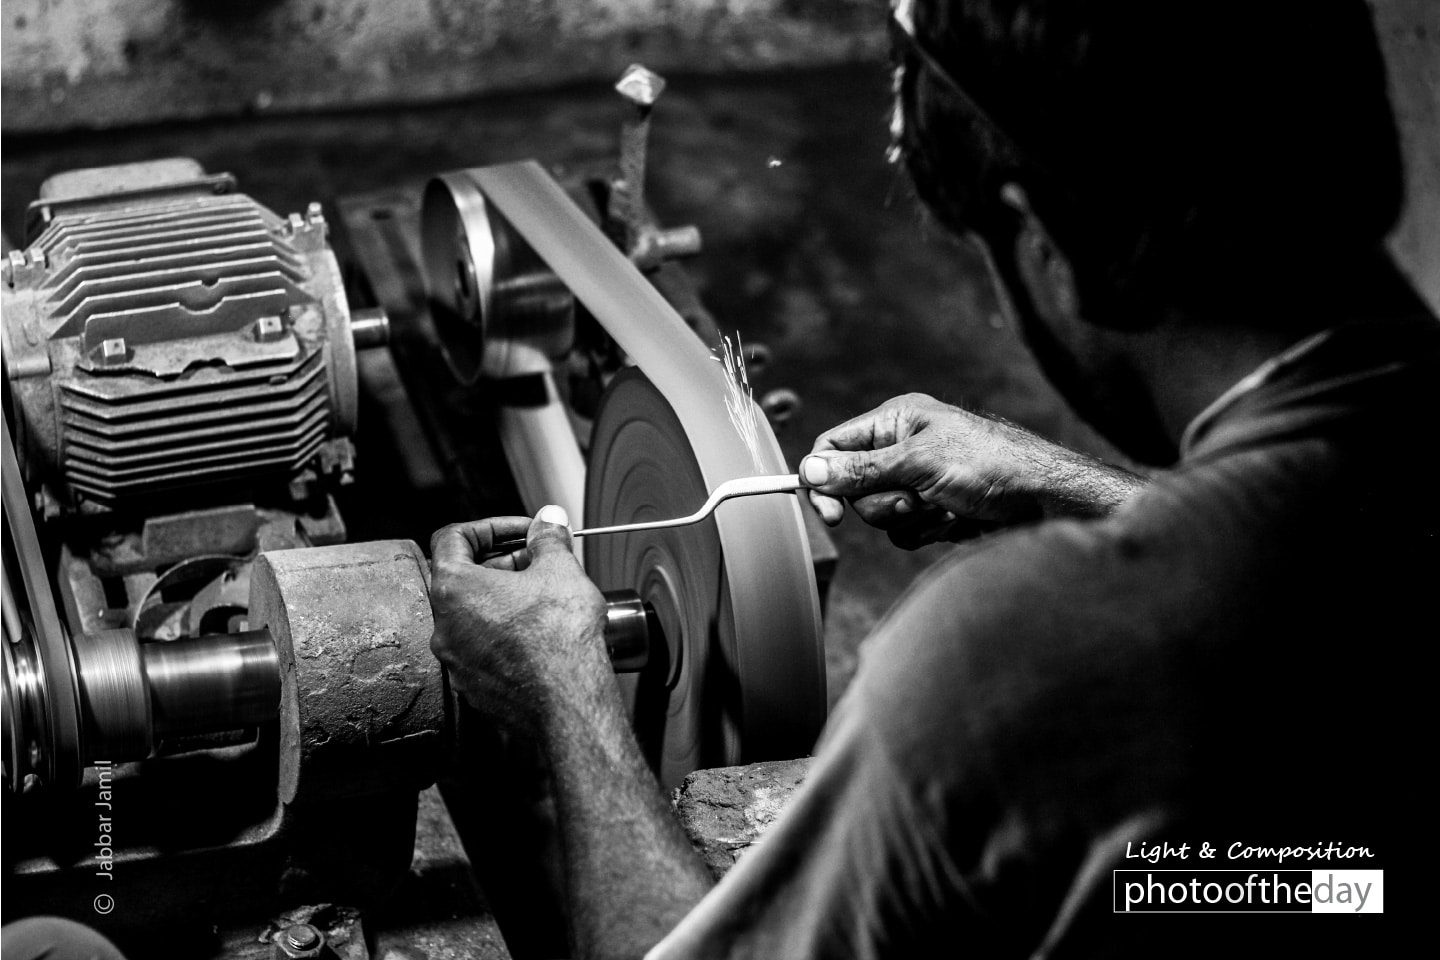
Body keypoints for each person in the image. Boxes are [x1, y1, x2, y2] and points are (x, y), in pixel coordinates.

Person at [429, 1, 1433, 956]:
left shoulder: (1012, 661)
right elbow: (1345, 863)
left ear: (1047, 248)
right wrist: (1066, 485)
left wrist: (563, 683)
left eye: (986, 267)